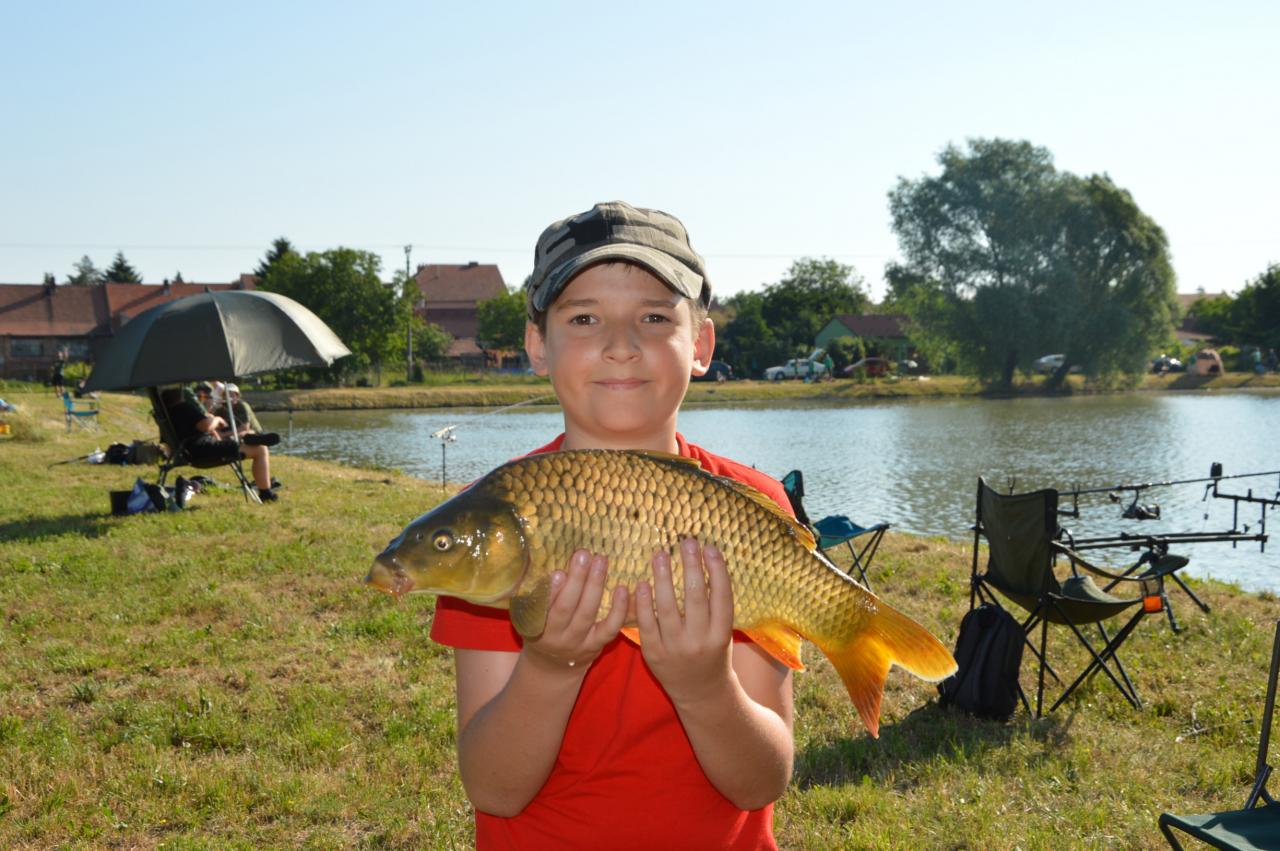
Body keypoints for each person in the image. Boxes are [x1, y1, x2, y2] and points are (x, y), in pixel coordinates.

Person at [430, 202, 794, 850]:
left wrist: (706, 687)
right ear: (537, 345)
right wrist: (550, 665)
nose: (621, 345)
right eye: (584, 318)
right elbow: (493, 789)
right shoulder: (492, 520)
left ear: (701, 345)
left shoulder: (750, 507)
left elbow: (762, 781)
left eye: (654, 317)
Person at [160, 386, 279, 502]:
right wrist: (217, 419)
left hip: (191, 452)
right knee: (261, 449)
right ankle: (266, 494)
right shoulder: (184, 407)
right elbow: (206, 426)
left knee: (244, 442)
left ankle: (247, 439)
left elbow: (167, 443)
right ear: (179, 395)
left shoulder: (166, 414)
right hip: (204, 451)